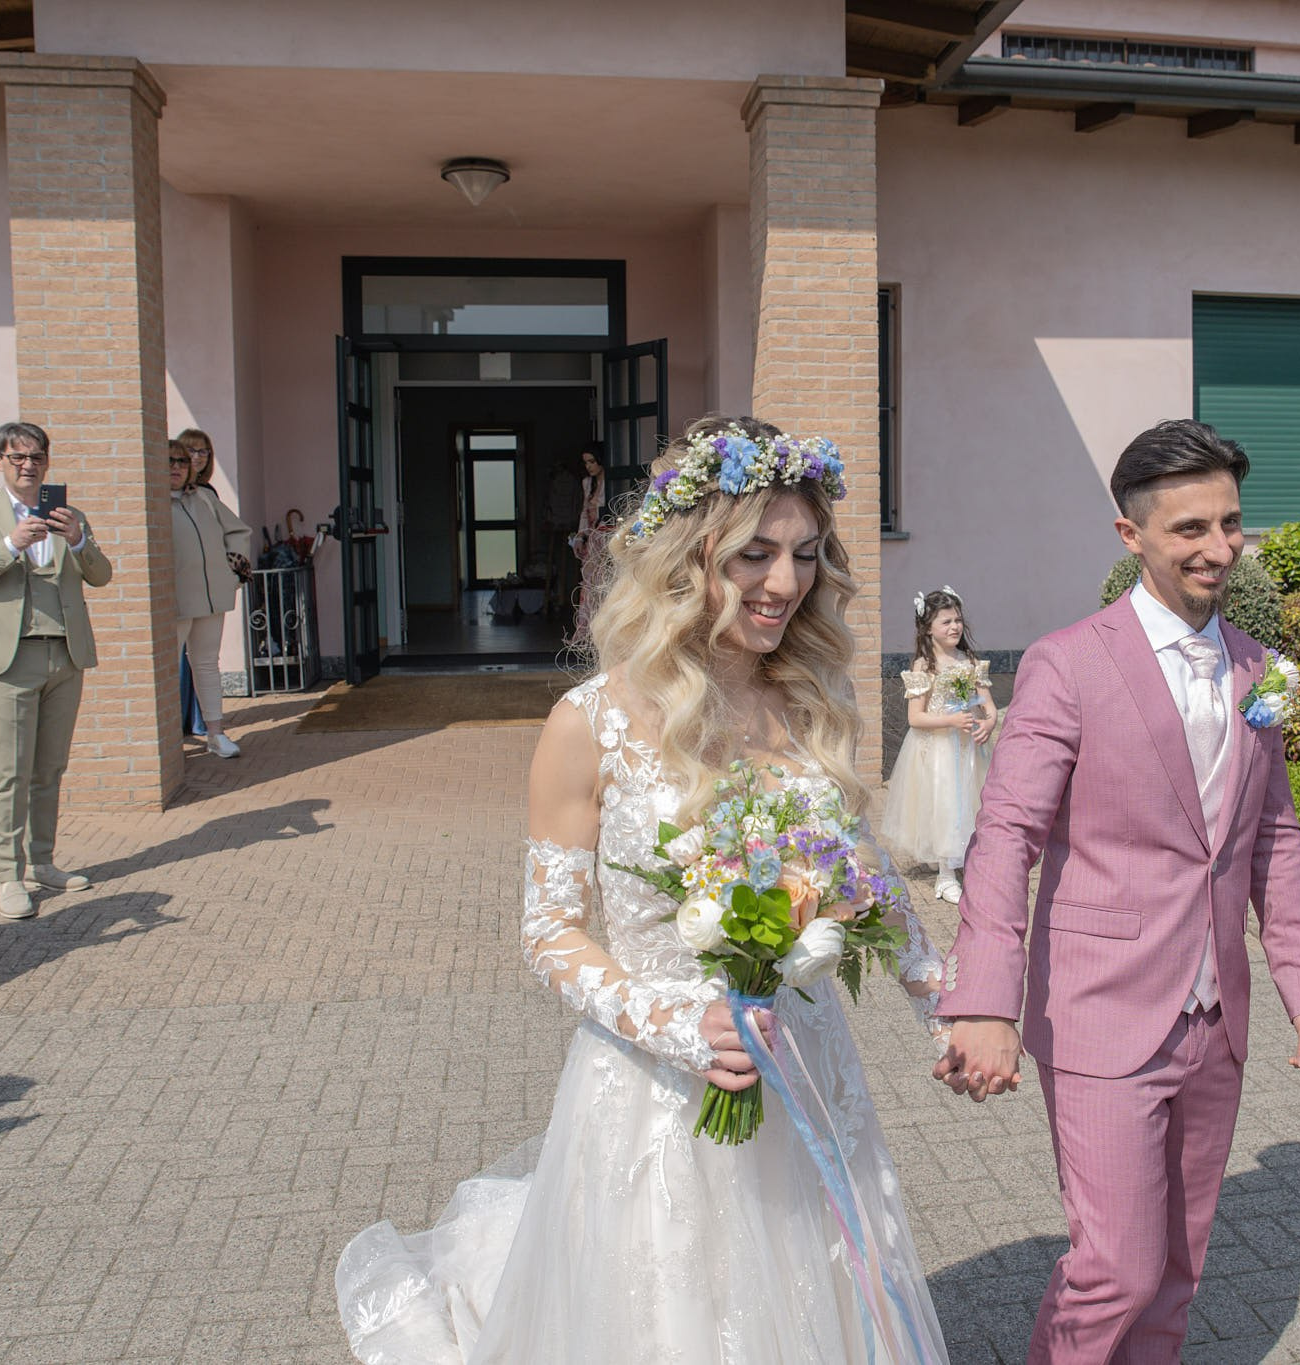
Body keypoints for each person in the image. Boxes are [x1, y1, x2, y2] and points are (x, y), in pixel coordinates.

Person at [336, 416, 952, 1363]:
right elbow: (549, 933)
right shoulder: (587, 724)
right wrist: (675, 1020)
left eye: (804, 553)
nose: (785, 583)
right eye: (753, 553)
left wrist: (951, 1007)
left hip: (807, 1073)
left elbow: (863, 875)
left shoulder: (816, 705)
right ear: (685, 555)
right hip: (660, 1093)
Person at [936, 419, 1300, 1363]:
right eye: (1190, 528)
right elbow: (1007, 835)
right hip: (1102, 1008)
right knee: (1115, 1263)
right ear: (1131, 536)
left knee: (1177, 1265)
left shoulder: (1257, 668)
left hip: (1215, 1016)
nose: (1219, 548)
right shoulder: (1068, 662)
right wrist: (985, 1001)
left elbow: (1272, 836)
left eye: (1232, 524)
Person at [0, 420, 113, 921]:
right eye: (16, 457)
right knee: (8, 772)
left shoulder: (68, 512)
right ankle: (8, 875)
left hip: (64, 654)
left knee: (49, 768)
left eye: (36, 456)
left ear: (47, 461)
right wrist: (11, 544)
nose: (27, 465)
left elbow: (101, 576)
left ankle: (43, 861)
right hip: (9, 656)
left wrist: (80, 541)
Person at [879, 585, 996, 903]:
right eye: (946, 621)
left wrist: (988, 722)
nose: (954, 627)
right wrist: (950, 721)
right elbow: (916, 717)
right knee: (944, 805)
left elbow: (988, 705)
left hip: (968, 749)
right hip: (938, 753)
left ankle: (969, 863)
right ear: (927, 627)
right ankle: (945, 877)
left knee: (971, 804)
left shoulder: (968, 660)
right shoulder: (924, 666)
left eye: (957, 619)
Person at [169, 439, 253, 758]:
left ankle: (215, 734)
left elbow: (237, 531)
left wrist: (232, 572)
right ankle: (170, 740)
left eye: (180, 461)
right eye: (169, 461)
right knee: (167, 667)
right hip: (176, 599)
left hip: (211, 596)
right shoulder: (153, 500)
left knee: (206, 663)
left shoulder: (204, 497)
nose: (176, 466)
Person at [569, 441, 609, 644]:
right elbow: (585, 512)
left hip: (609, 538)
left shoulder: (612, 482)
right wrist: (580, 536)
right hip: (593, 539)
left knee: (607, 583)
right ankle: (590, 632)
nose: (589, 466)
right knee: (590, 584)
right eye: (586, 463)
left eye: (592, 461)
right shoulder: (588, 483)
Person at [542, 451, 583, 616]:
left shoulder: (568, 482)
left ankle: (568, 600)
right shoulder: (574, 482)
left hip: (563, 520)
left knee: (572, 561)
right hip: (568, 520)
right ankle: (564, 599)